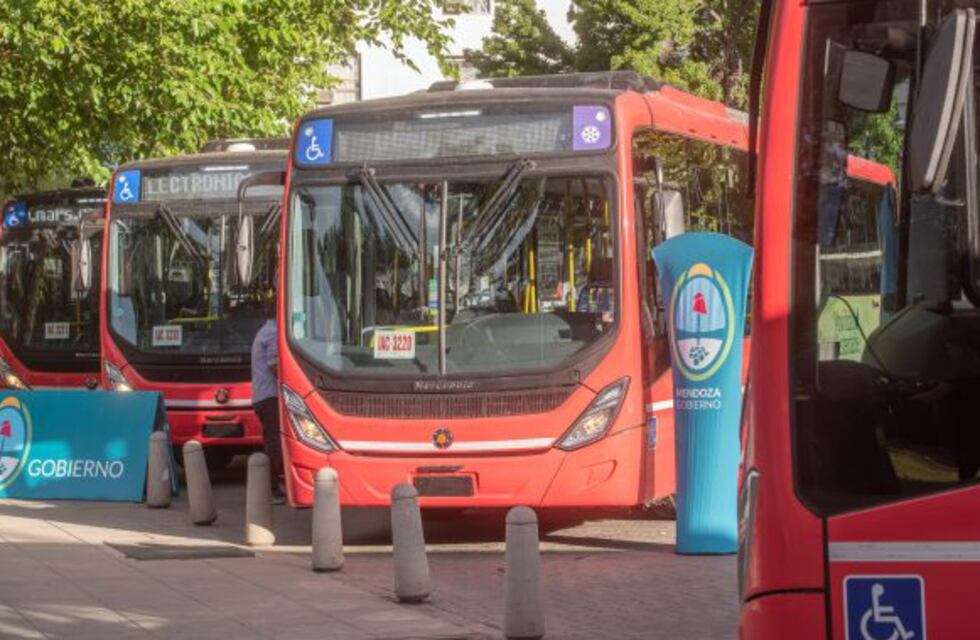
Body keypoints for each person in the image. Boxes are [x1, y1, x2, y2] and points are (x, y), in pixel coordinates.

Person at [252, 301, 285, 502]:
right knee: (274, 443)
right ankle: (273, 489)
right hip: (269, 396)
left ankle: (275, 485)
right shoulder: (273, 333)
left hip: (263, 396)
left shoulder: (265, 330)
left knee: (272, 441)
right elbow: (276, 366)